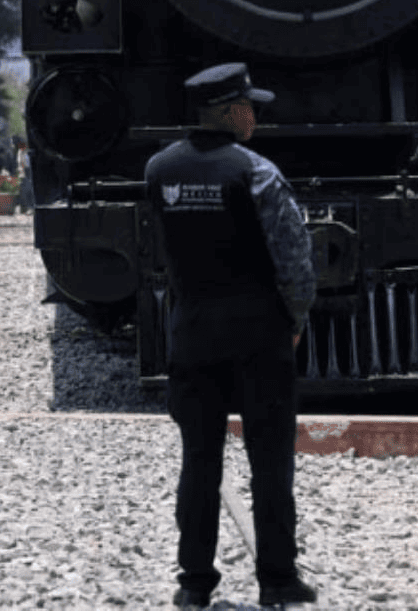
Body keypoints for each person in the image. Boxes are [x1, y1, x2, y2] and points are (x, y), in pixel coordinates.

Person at [144, 63, 317, 609]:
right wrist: (297, 317)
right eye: (249, 106)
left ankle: (193, 582)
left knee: (199, 459)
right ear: (227, 112)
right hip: (259, 333)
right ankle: (278, 580)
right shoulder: (256, 170)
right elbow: (293, 258)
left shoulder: (159, 170)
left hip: (192, 331)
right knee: (270, 461)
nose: (256, 114)